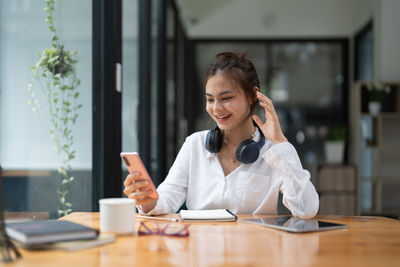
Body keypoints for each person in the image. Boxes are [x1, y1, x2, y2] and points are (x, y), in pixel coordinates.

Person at [124, 51, 319, 218]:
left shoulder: (273, 153)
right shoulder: (195, 145)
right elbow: (165, 199)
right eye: (210, 100)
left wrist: (280, 142)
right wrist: (145, 198)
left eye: (226, 98)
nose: (217, 108)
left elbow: (306, 210)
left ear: (252, 96)